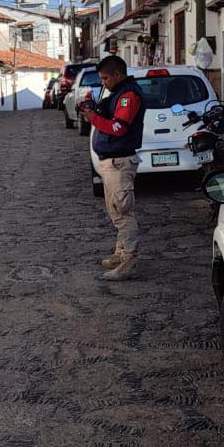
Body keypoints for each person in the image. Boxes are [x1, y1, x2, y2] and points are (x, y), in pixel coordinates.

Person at [78, 55, 146, 281]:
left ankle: (130, 261)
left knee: (123, 212)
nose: (103, 82)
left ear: (118, 74)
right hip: (111, 161)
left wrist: (94, 118)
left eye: (106, 78)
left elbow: (118, 128)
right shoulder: (117, 93)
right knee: (116, 210)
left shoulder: (128, 95)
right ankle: (120, 254)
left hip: (120, 162)